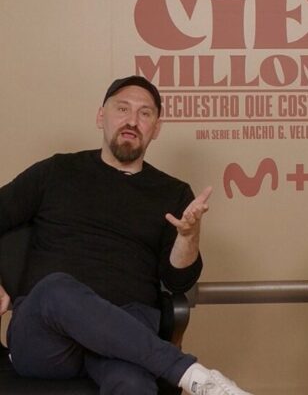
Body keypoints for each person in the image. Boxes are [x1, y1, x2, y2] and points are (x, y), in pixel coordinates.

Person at [0, 76, 251, 395]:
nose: (132, 120)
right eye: (122, 109)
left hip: (127, 326)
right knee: (55, 289)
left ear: (156, 128)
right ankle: (193, 375)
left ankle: (192, 376)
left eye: (145, 113)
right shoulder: (56, 171)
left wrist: (188, 236)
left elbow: (178, 282)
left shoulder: (173, 193)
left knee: (133, 384)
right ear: (100, 116)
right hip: (45, 335)